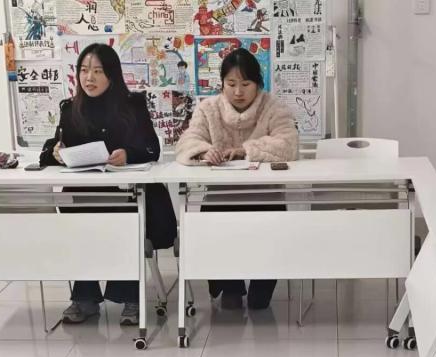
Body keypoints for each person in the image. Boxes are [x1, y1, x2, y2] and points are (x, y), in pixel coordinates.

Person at [39, 43, 177, 325]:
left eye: (97, 71)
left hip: (125, 197)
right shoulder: (70, 109)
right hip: (84, 198)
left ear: (111, 75)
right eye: (84, 70)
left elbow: (151, 149)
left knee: (120, 224)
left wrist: (128, 154)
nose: (88, 78)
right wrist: (56, 152)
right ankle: (85, 298)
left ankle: (130, 297)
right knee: (81, 229)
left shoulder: (132, 105)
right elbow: (52, 150)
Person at [176, 47, 299, 310]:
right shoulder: (208, 108)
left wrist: (245, 150)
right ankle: (230, 285)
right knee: (215, 231)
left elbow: (288, 145)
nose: (238, 92)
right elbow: (187, 141)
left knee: (260, 299)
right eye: (231, 84)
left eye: (245, 84)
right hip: (222, 195)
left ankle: (261, 286)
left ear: (258, 84)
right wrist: (204, 151)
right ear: (222, 84)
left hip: (266, 195)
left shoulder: (273, 107)